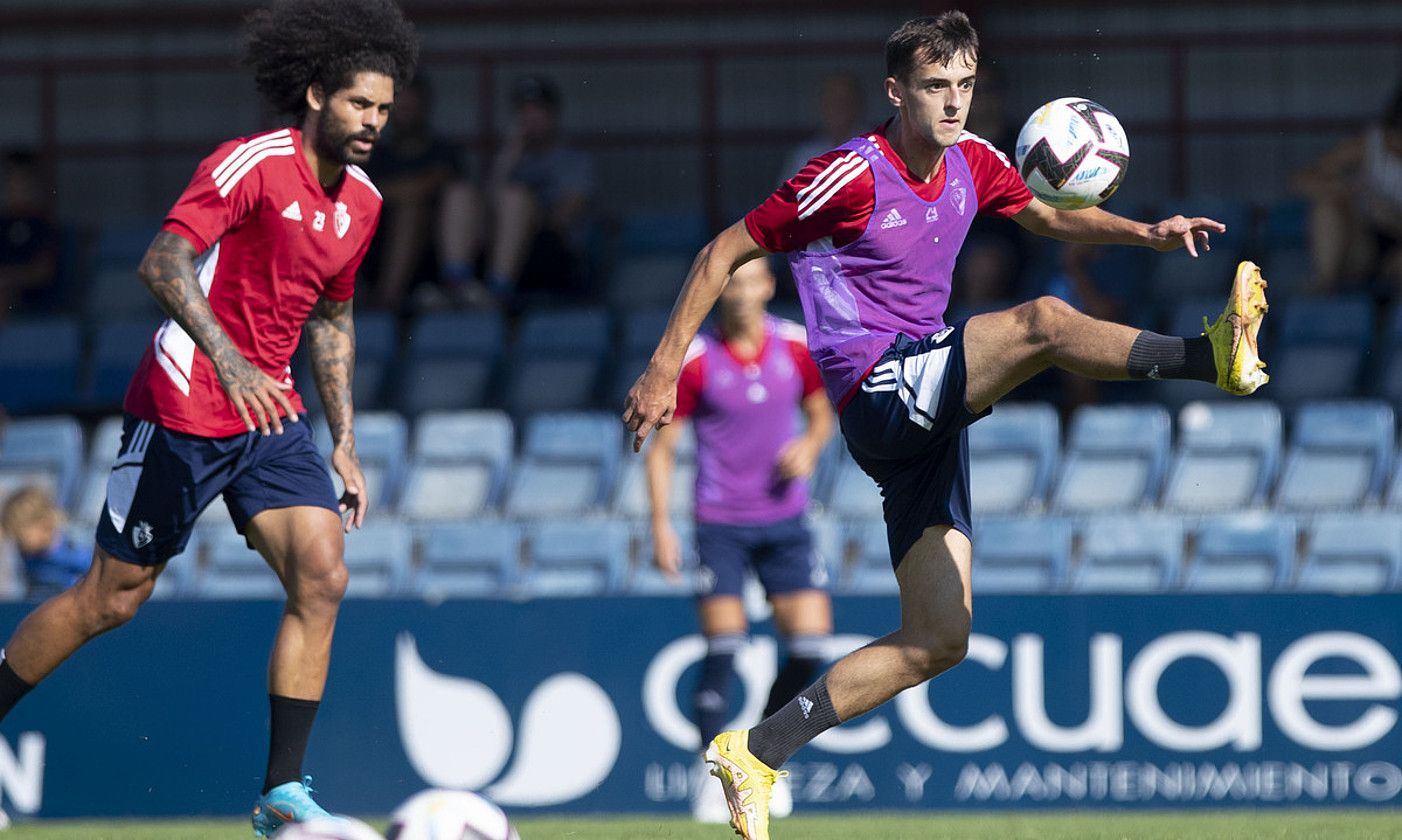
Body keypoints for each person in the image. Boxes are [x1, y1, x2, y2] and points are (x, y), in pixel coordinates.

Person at [622, 13, 1267, 840]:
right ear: (897, 92)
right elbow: (723, 250)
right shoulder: (845, 175)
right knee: (1039, 321)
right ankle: (1212, 356)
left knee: (939, 637)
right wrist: (665, 367)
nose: (955, 102)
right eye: (936, 86)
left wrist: (1143, 231)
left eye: (964, 84)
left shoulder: (975, 161)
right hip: (877, 385)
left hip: (922, 415)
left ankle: (757, 751)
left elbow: (1044, 215)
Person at [0, 1, 417, 835]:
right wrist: (229, 360)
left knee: (323, 573)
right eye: (358, 104)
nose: (372, 122)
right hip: (187, 399)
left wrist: (345, 441)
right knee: (111, 600)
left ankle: (282, 793)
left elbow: (332, 318)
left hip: (272, 414)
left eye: (383, 109)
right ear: (314, 95)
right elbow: (163, 261)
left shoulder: (364, 203)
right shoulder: (250, 164)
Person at [644, 258, 834, 823]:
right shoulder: (699, 361)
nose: (742, 293)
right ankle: (712, 778)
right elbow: (664, 448)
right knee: (724, 647)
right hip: (721, 522)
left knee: (810, 648)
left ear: (769, 286)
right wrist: (660, 524)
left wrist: (811, 447)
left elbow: (821, 414)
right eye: (731, 283)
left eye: (751, 281)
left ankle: (762, 757)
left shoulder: (797, 348)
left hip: (786, 522)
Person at [362, 74, 481, 312]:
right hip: (379, 249)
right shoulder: (374, 153)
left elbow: (451, 186)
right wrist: (419, 187)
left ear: (425, 108)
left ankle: (449, 285)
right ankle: (385, 300)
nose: (405, 113)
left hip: (435, 252)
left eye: (412, 106)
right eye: (400, 107)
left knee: (419, 209)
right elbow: (361, 194)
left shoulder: (443, 150)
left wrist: (397, 192)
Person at [479, 74, 595, 307]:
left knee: (516, 199)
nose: (530, 118)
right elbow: (484, 211)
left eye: (538, 110)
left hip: (553, 255)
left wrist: (521, 215)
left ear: (553, 115)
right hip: (501, 251)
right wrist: (508, 157)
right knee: (461, 196)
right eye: (524, 111)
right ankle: (457, 283)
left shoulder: (573, 160)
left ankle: (496, 291)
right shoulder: (511, 158)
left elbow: (564, 217)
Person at [1294, 81, 1402, 301]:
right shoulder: (1368, 146)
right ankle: (1325, 283)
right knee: (1327, 205)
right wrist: (1347, 189)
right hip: (1363, 245)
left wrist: (1392, 219)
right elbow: (1301, 179)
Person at [0, 486, 89, 599]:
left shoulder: (75, 546)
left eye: (20, 537)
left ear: (42, 524)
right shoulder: (28, 558)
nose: (17, 544)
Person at [0, 149, 59, 319]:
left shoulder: (43, 224)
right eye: (12, 181)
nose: (17, 189)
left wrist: (9, 279)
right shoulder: (2, 223)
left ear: (34, 184)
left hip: (34, 302)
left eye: (23, 182)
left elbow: (44, 272)